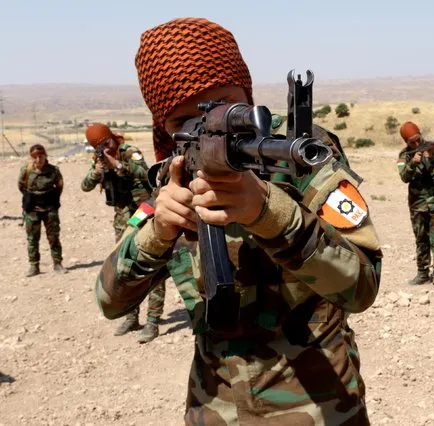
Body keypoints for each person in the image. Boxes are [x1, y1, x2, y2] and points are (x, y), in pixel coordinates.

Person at [94, 18, 383, 425]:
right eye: (184, 121)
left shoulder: (298, 155)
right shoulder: (171, 175)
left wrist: (270, 214)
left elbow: (362, 287)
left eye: (224, 106)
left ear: (246, 94)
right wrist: (157, 234)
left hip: (320, 407)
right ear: (164, 127)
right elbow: (110, 301)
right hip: (214, 408)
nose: (209, 126)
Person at [81, 123, 165, 343]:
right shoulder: (100, 161)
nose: (106, 149)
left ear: (113, 138)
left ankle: (153, 320)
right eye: (100, 147)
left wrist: (118, 164)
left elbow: (145, 173)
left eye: (107, 143)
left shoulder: (129, 151)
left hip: (143, 214)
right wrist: (97, 170)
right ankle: (131, 317)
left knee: (151, 263)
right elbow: (85, 186)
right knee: (124, 266)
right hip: (122, 219)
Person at [397, 122, 434, 292]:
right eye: (411, 142)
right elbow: (404, 177)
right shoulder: (404, 155)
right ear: (406, 141)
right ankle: (422, 274)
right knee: (421, 239)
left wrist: (432, 157)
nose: (416, 144)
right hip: (417, 204)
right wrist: (413, 163)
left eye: (417, 139)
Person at [18, 144, 67, 277]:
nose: (39, 160)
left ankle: (57, 263)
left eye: (41, 156)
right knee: (32, 239)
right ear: (31, 158)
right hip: (32, 210)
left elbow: (60, 185)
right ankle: (34, 266)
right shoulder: (26, 170)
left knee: (54, 237)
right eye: (35, 157)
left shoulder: (53, 171)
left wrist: (51, 198)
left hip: (50, 208)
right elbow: (21, 185)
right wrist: (30, 198)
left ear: (46, 156)